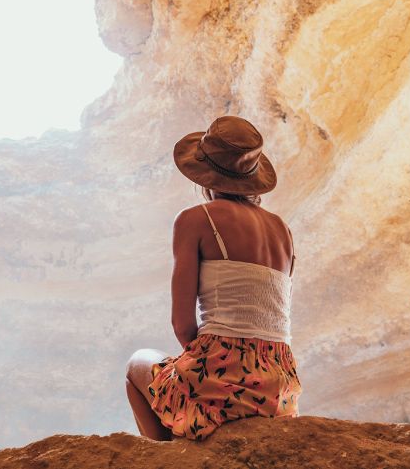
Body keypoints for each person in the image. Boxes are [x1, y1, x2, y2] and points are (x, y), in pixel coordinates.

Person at [124, 115, 302, 441]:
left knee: (138, 364)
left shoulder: (196, 220)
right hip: (280, 388)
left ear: (204, 176)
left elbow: (182, 325)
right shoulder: (284, 231)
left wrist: (208, 376)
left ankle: (167, 457)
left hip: (224, 378)